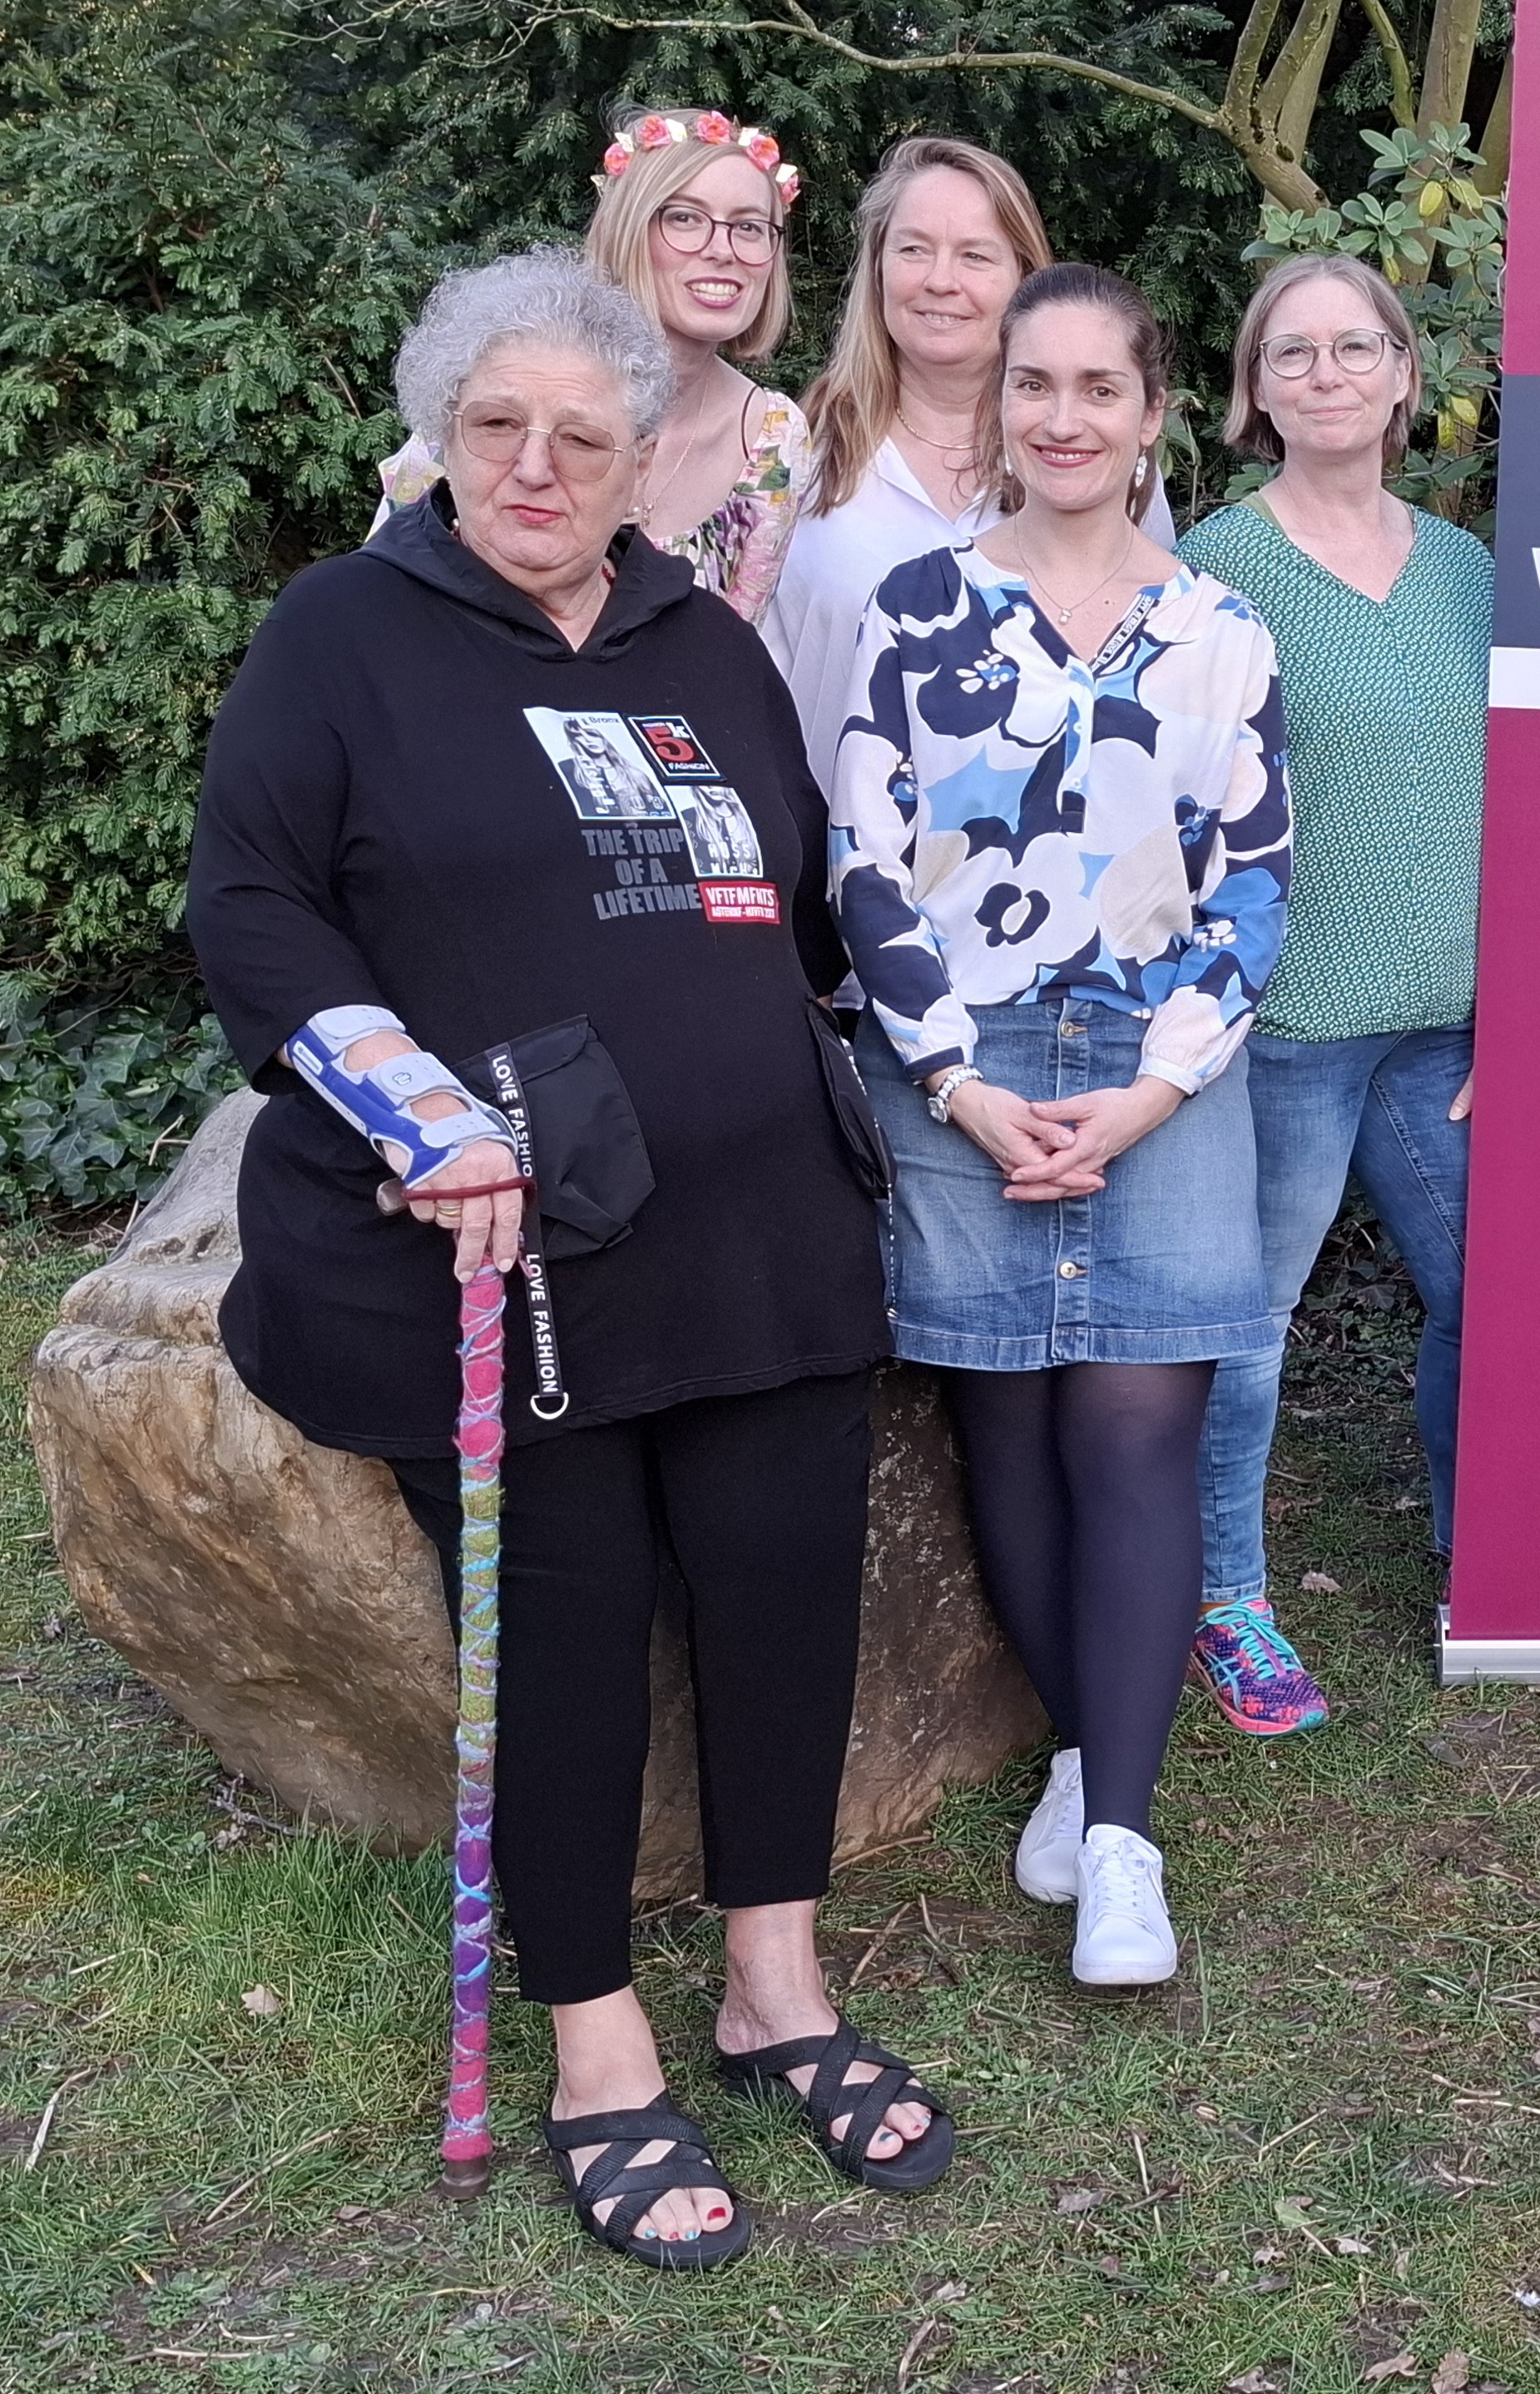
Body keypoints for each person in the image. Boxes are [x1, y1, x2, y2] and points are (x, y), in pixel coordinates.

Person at [189, 250, 949, 2273]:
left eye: (582, 436)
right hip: (507, 1254)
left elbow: (792, 902)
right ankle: (600, 2043)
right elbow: (255, 903)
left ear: (641, 457)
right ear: (445, 434)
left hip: (758, 1232)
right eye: (500, 426)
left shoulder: (703, 640)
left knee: (792, 1588)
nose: (537, 464)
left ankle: (775, 1981)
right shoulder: (342, 635)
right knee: (573, 1634)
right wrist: (408, 1109)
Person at [831, 262, 1290, 1987]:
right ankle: (1098, 1754)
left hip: (1160, 1066)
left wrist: (1156, 1087)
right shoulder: (913, 607)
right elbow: (863, 864)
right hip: (963, 1061)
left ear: (1152, 413)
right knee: (1006, 1437)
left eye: (1101, 387)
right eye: (1035, 385)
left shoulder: (1220, 629)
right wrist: (957, 1083)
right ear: (997, 405)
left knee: (1132, 1434)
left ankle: (1118, 1844)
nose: (1065, 416)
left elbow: (1253, 882)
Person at [1176, 254, 1490, 1737]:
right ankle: (1223, 1602)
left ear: (1402, 374)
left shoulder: (1472, 573)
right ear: (1253, 389)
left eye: (1351, 346)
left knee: (1493, 1296)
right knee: (1248, 1329)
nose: (1323, 373)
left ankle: (1481, 1558)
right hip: (1283, 1029)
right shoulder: (1209, 568)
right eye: (1288, 352)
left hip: (1452, 1028)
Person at [760, 136, 1175, 798]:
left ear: (1023, 278)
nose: (939, 280)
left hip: (1047, 872)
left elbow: (1153, 683)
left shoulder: (1096, 464)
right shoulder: (794, 452)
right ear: (877, 267)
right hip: (831, 869)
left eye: (975, 256)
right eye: (914, 248)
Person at [379, 108, 811, 622]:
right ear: (628, 229)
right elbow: (378, 594)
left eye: (749, 227)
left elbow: (736, 655)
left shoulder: (772, 439)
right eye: (684, 218)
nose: (723, 250)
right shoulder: (496, 387)